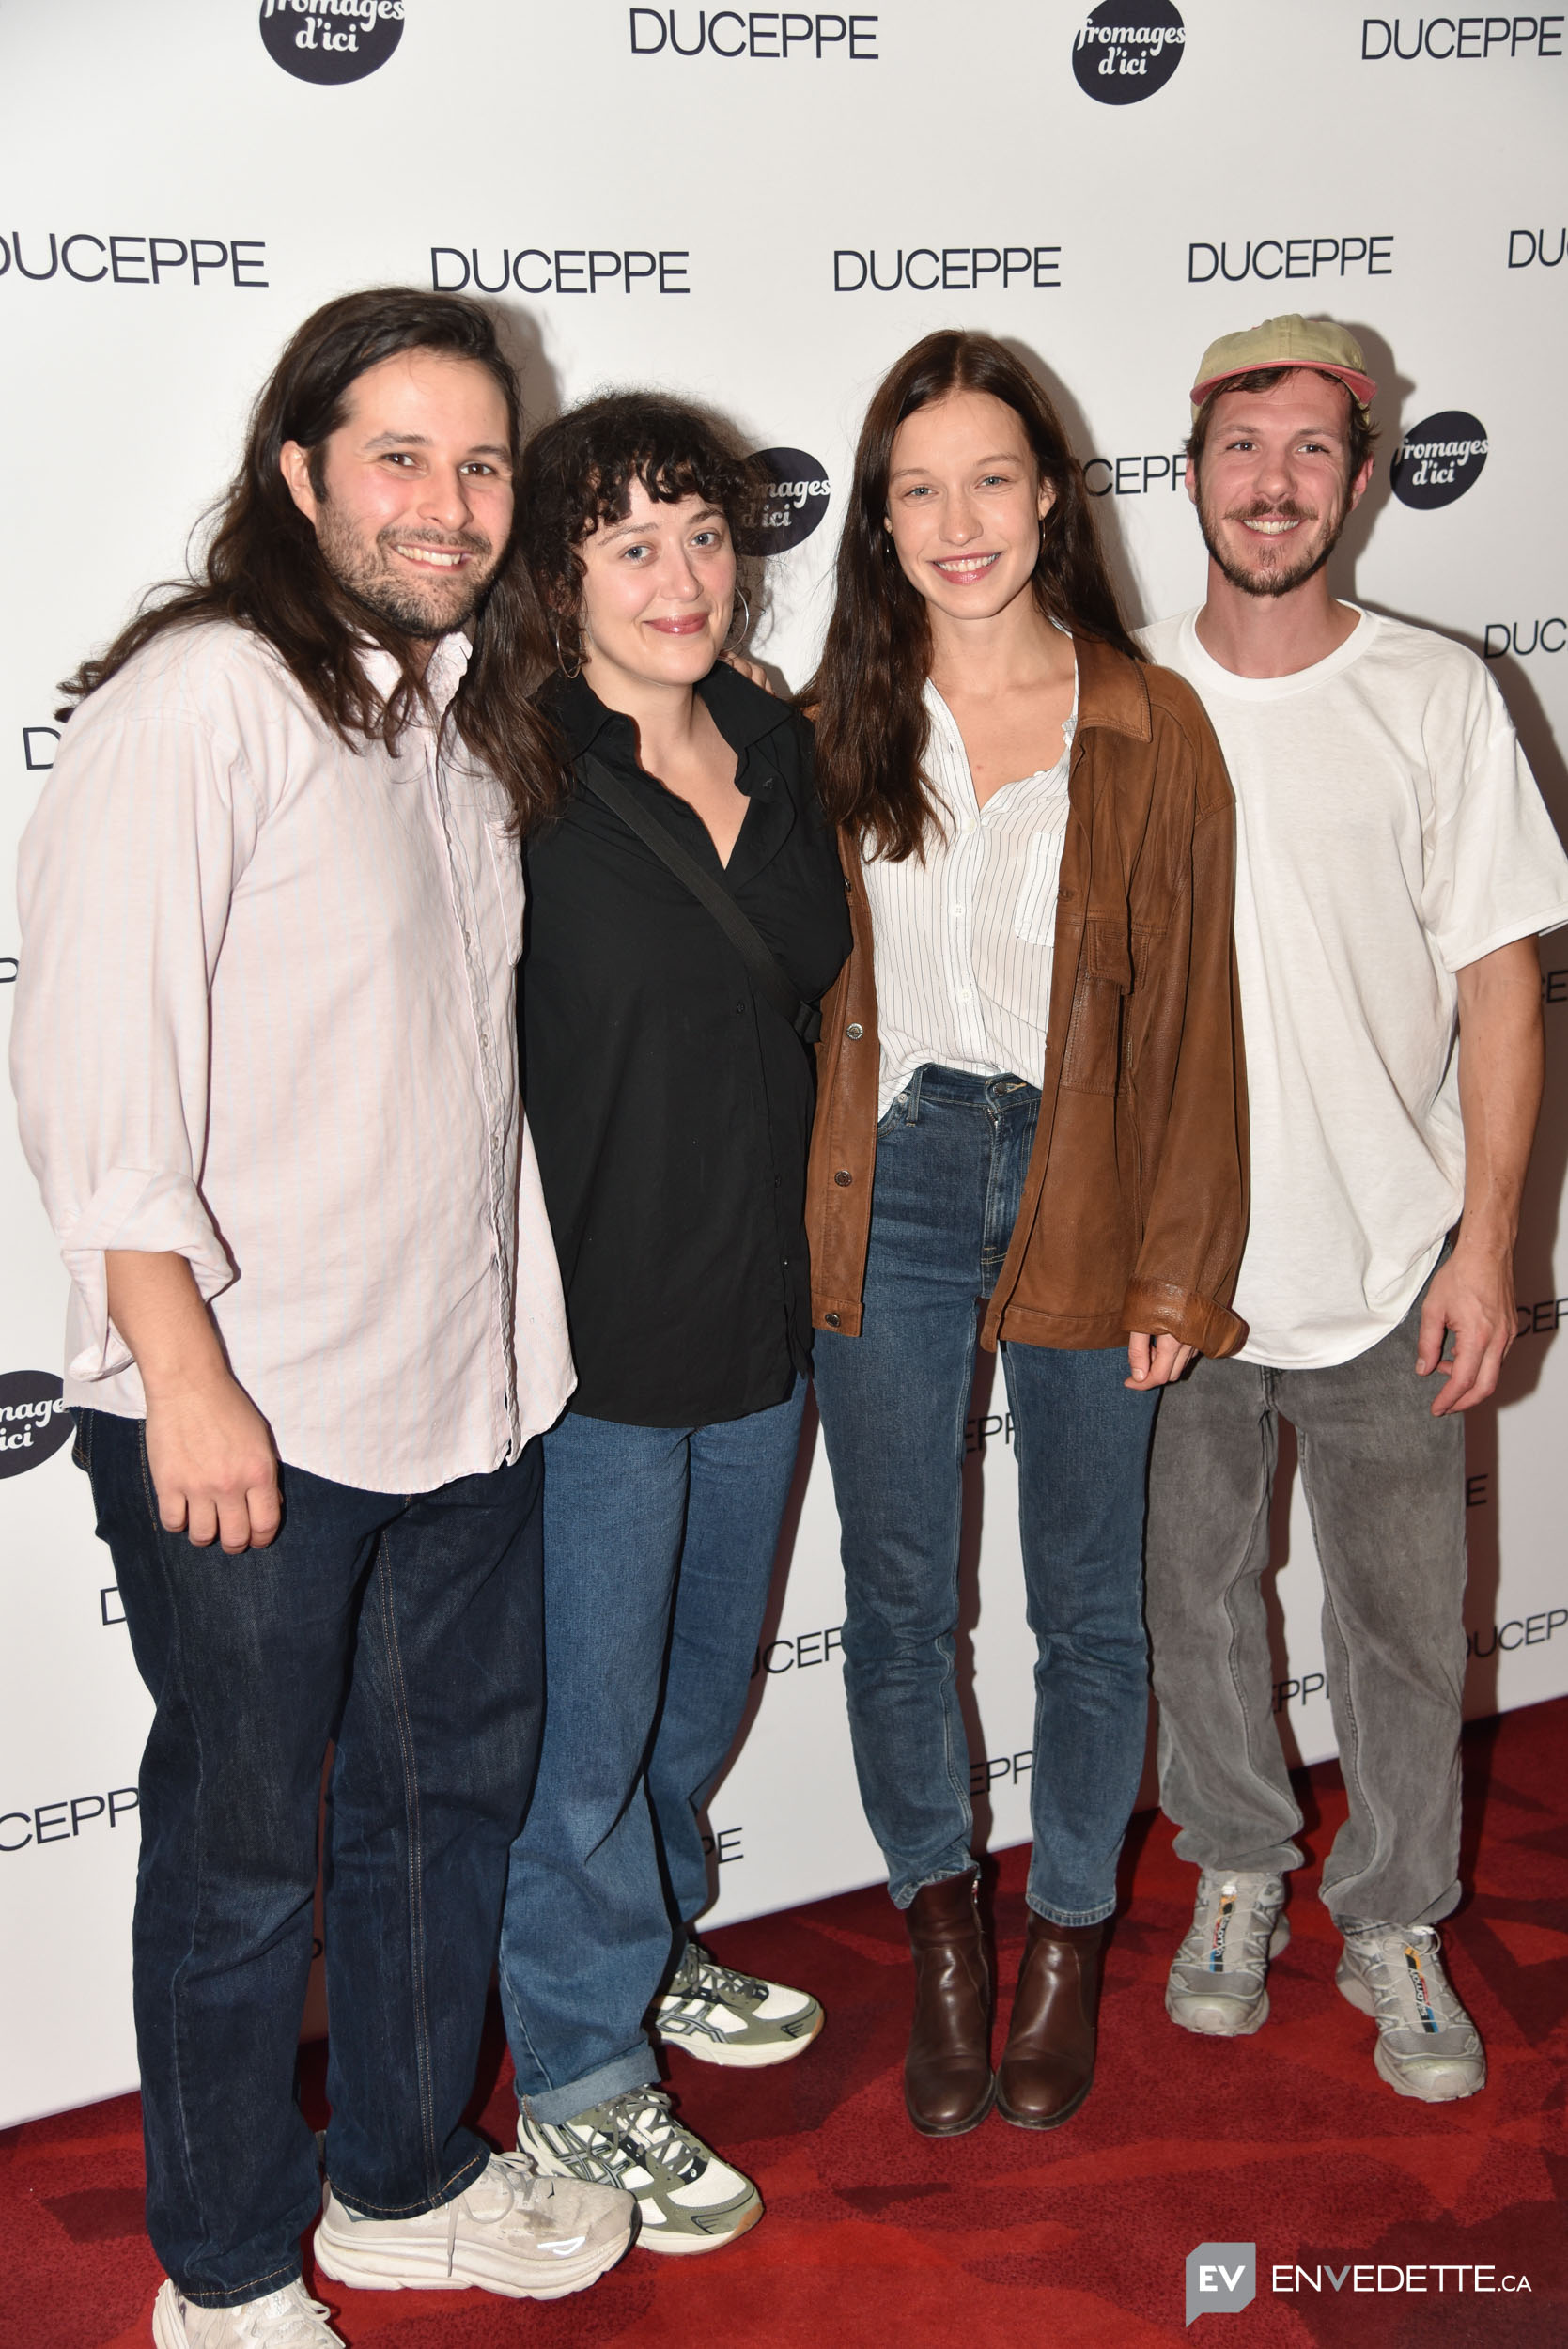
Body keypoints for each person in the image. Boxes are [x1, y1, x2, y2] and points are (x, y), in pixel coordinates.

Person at [8, 289, 633, 2349]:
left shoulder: (458, 717)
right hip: (246, 1404)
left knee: (437, 1811)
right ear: (299, 471)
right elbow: (98, 1069)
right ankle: (225, 2266)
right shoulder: (204, 698)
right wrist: (180, 1376)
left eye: (479, 463)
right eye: (400, 456)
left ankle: (394, 2177)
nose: (448, 502)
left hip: (456, 1390)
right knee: (243, 1854)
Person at [805, 331, 1249, 2139]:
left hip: (1088, 1171)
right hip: (893, 1177)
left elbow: (1200, 1019)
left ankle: (1065, 1931)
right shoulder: (827, 715)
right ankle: (942, 1931)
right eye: (916, 487)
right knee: (897, 1599)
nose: (956, 519)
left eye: (991, 477)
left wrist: (1174, 1265)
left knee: (1086, 1608)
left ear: (1053, 494)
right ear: (879, 520)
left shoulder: (1146, 716)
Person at [1142, 314, 1568, 2101]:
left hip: (1396, 1268)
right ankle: (1237, 1868)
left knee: (1402, 1625)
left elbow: (1498, 985)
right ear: (1191, 471)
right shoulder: (1117, 691)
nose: (1274, 484)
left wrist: (1487, 1248)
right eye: (1246, 448)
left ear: (1363, 476)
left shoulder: (1436, 692)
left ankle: (1394, 1914)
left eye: (1314, 450)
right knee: (1190, 1605)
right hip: (1179, 1281)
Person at [494, 394, 850, 2250]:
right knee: (589, 1727)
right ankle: (575, 2067)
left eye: (701, 530)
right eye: (628, 540)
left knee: (696, 1698)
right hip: (592, 1341)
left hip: (761, 1316)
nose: (679, 573)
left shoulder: (779, 745)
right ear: (558, 575)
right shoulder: (509, 759)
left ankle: (643, 1950)